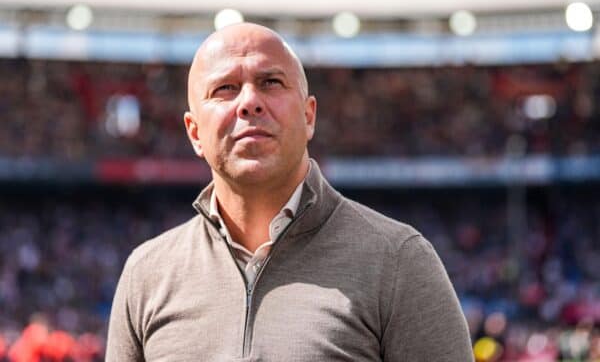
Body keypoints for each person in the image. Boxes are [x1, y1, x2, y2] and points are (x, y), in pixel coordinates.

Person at [106, 23, 474, 361]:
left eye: (271, 83)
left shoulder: (399, 262)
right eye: (225, 88)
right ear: (194, 133)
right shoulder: (148, 273)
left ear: (309, 116)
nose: (249, 101)